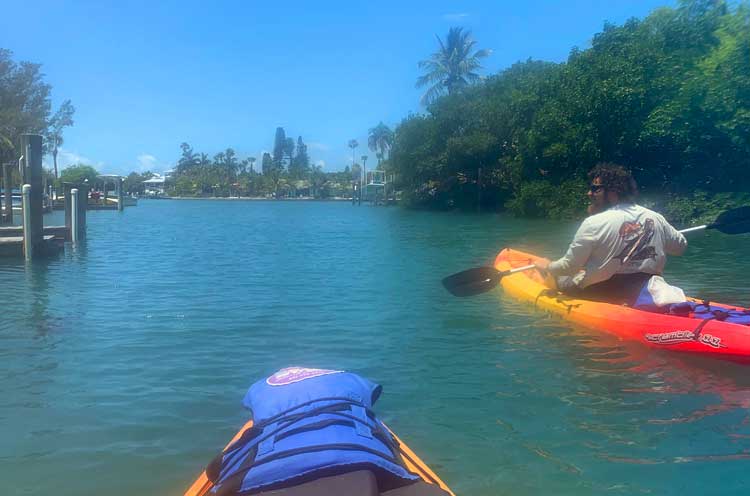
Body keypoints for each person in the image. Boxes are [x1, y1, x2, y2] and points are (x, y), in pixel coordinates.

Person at [534, 163, 688, 305]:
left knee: (557, 277)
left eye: (595, 189)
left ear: (613, 192)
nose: (589, 193)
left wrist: (548, 266)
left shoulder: (593, 223)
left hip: (600, 292)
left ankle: (543, 277)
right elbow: (680, 247)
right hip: (644, 287)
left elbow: (569, 267)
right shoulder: (655, 218)